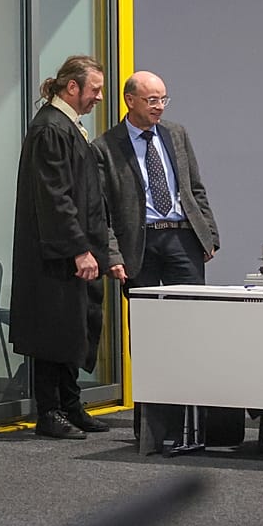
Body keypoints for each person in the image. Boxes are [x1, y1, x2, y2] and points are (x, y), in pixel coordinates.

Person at [92, 71, 219, 449]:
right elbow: (100, 211)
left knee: (191, 326)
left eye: (163, 99)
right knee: (146, 336)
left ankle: (191, 427)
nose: (159, 107)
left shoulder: (176, 134)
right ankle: (151, 430)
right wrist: (111, 254)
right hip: (140, 245)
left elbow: (195, 187)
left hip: (182, 237)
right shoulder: (105, 147)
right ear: (130, 100)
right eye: (151, 100)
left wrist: (209, 233)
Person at [9, 55, 113, 440]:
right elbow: (56, 197)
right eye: (96, 89)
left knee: (72, 329)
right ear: (73, 87)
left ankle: (71, 405)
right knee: (52, 332)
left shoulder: (68, 126)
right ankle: (50, 411)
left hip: (70, 250)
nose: (100, 97)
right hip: (53, 255)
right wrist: (78, 249)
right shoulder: (50, 129)